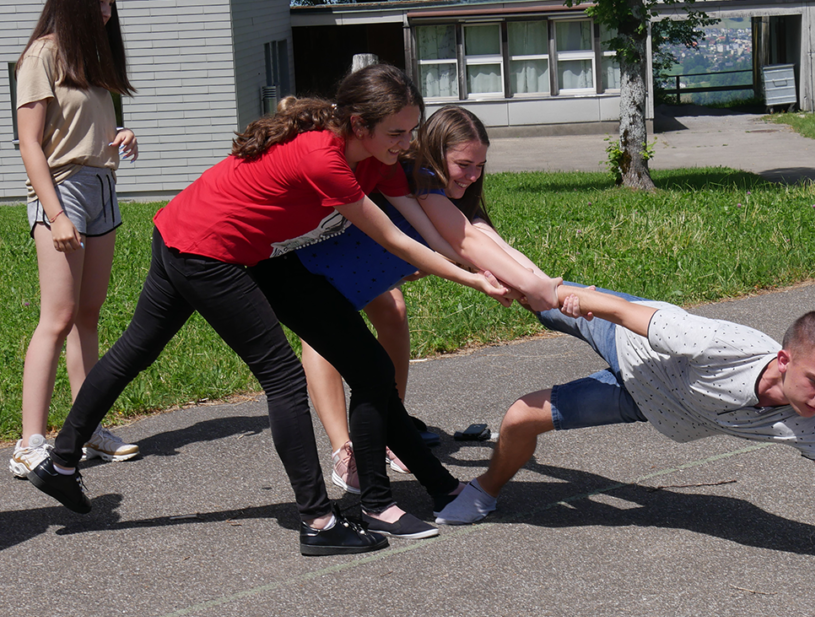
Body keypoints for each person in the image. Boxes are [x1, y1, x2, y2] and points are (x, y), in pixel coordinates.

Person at [25, 64, 511, 556]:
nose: (407, 142)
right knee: (282, 378)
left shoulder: (376, 155)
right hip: (205, 251)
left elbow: (422, 225)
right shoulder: (325, 157)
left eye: (411, 130)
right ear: (360, 123)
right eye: (396, 132)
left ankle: (60, 461)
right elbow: (391, 239)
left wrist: (462, 258)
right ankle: (319, 522)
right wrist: (471, 278)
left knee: (367, 366)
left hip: (224, 243)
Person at [434, 283, 815, 601]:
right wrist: (578, 299)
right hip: (632, 344)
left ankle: (484, 488)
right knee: (532, 291)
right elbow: (634, 315)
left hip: (643, 400)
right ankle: (458, 242)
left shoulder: (806, 421)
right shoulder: (726, 344)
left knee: (518, 416)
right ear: (786, 359)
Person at [279, 105, 557, 537]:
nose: (471, 175)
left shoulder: (450, 186)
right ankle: (343, 449)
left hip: (374, 269)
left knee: (392, 314)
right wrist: (535, 288)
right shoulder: (418, 175)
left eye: (480, 166)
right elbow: (461, 240)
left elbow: (482, 234)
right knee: (326, 338)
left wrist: (540, 281)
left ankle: (391, 430)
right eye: (464, 164)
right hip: (334, 262)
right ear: (435, 150)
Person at [10, 0, 141, 481]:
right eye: (99, 3)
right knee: (58, 317)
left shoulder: (93, 60)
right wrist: (57, 214)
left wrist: (121, 133)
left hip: (101, 186)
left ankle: (85, 427)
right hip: (62, 190)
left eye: (111, 4)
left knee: (88, 314)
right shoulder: (40, 57)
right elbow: (29, 142)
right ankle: (30, 442)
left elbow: (89, 127)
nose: (107, 12)